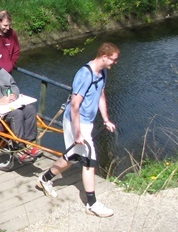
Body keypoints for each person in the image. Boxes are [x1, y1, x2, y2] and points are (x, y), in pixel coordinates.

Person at [36, 42, 120, 218]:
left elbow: (101, 95)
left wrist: (106, 119)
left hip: (87, 122)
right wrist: (78, 132)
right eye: (113, 59)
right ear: (104, 57)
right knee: (89, 160)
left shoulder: (102, 72)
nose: (115, 63)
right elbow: (74, 105)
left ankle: (44, 179)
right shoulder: (84, 74)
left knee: (73, 156)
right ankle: (92, 204)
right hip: (76, 121)